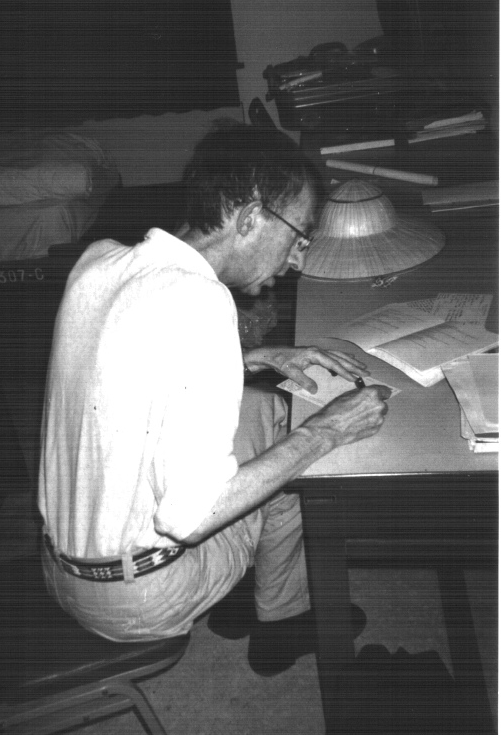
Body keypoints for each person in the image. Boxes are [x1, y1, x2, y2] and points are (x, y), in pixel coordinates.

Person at [38, 122, 390, 677]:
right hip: (143, 598)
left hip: (62, 571)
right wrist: (329, 429)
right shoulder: (202, 301)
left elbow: (125, 376)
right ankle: (282, 618)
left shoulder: (99, 261)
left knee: (258, 407)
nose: (297, 260)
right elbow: (191, 517)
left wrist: (255, 357)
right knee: (293, 442)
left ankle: (244, 594)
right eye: (299, 237)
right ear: (250, 219)